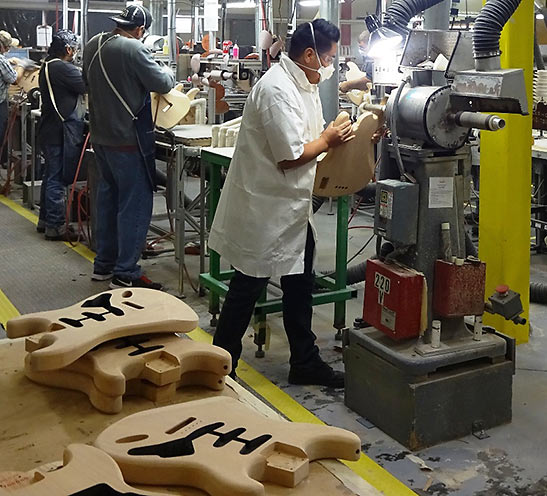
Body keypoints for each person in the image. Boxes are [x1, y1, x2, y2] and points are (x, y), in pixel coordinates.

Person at [208, 19, 353, 388]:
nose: (331, 65)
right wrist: (330, 139)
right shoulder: (276, 89)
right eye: (329, 57)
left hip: (292, 207)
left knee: (299, 286)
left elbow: (315, 139)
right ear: (309, 54)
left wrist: (347, 137)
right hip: (266, 207)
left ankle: (304, 361)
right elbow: (290, 156)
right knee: (247, 287)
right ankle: (218, 365)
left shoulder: (305, 85)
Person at [83, 5, 174, 289]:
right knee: (134, 206)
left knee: (108, 202)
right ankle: (126, 273)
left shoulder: (92, 44)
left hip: (101, 138)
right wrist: (165, 67)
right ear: (140, 30)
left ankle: (104, 266)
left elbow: (86, 81)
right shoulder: (133, 49)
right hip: (128, 141)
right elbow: (163, 83)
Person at [37, 29, 85, 241]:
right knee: (57, 179)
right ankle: (56, 227)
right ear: (68, 49)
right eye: (74, 49)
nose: (75, 52)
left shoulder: (47, 64)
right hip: (60, 131)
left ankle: (45, 220)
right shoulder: (63, 68)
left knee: (50, 176)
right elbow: (87, 85)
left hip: (49, 128)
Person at [0, 31, 17, 168]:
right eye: (6, 47)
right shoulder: (1, 61)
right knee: (2, 132)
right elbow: (13, 78)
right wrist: (21, 66)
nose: (8, 50)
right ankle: (2, 161)